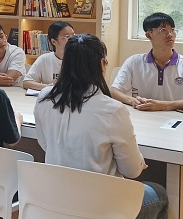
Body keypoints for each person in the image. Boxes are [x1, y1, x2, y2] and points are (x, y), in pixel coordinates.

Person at [34, 34, 168, 219]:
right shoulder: (112, 110)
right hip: (102, 208)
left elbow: (44, 144)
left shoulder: (44, 97)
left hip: (56, 202)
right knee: (159, 193)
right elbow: (132, 171)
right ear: (102, 64)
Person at [111, 12, 183, 111]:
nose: (170, 35)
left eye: (172, 30)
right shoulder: (134, 62)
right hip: (142, 116)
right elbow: (114, 91)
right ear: (149, 35)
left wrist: (164, 105)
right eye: (163, 30)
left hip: (176, 118)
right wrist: (132, 101)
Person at [22, 21, 74, 91]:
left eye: (73, 35)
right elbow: (26, 83)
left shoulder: (82, 58)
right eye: (67, 37)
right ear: (54, 41)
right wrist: (48, 87)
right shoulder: (44, 59)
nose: (72, 39)